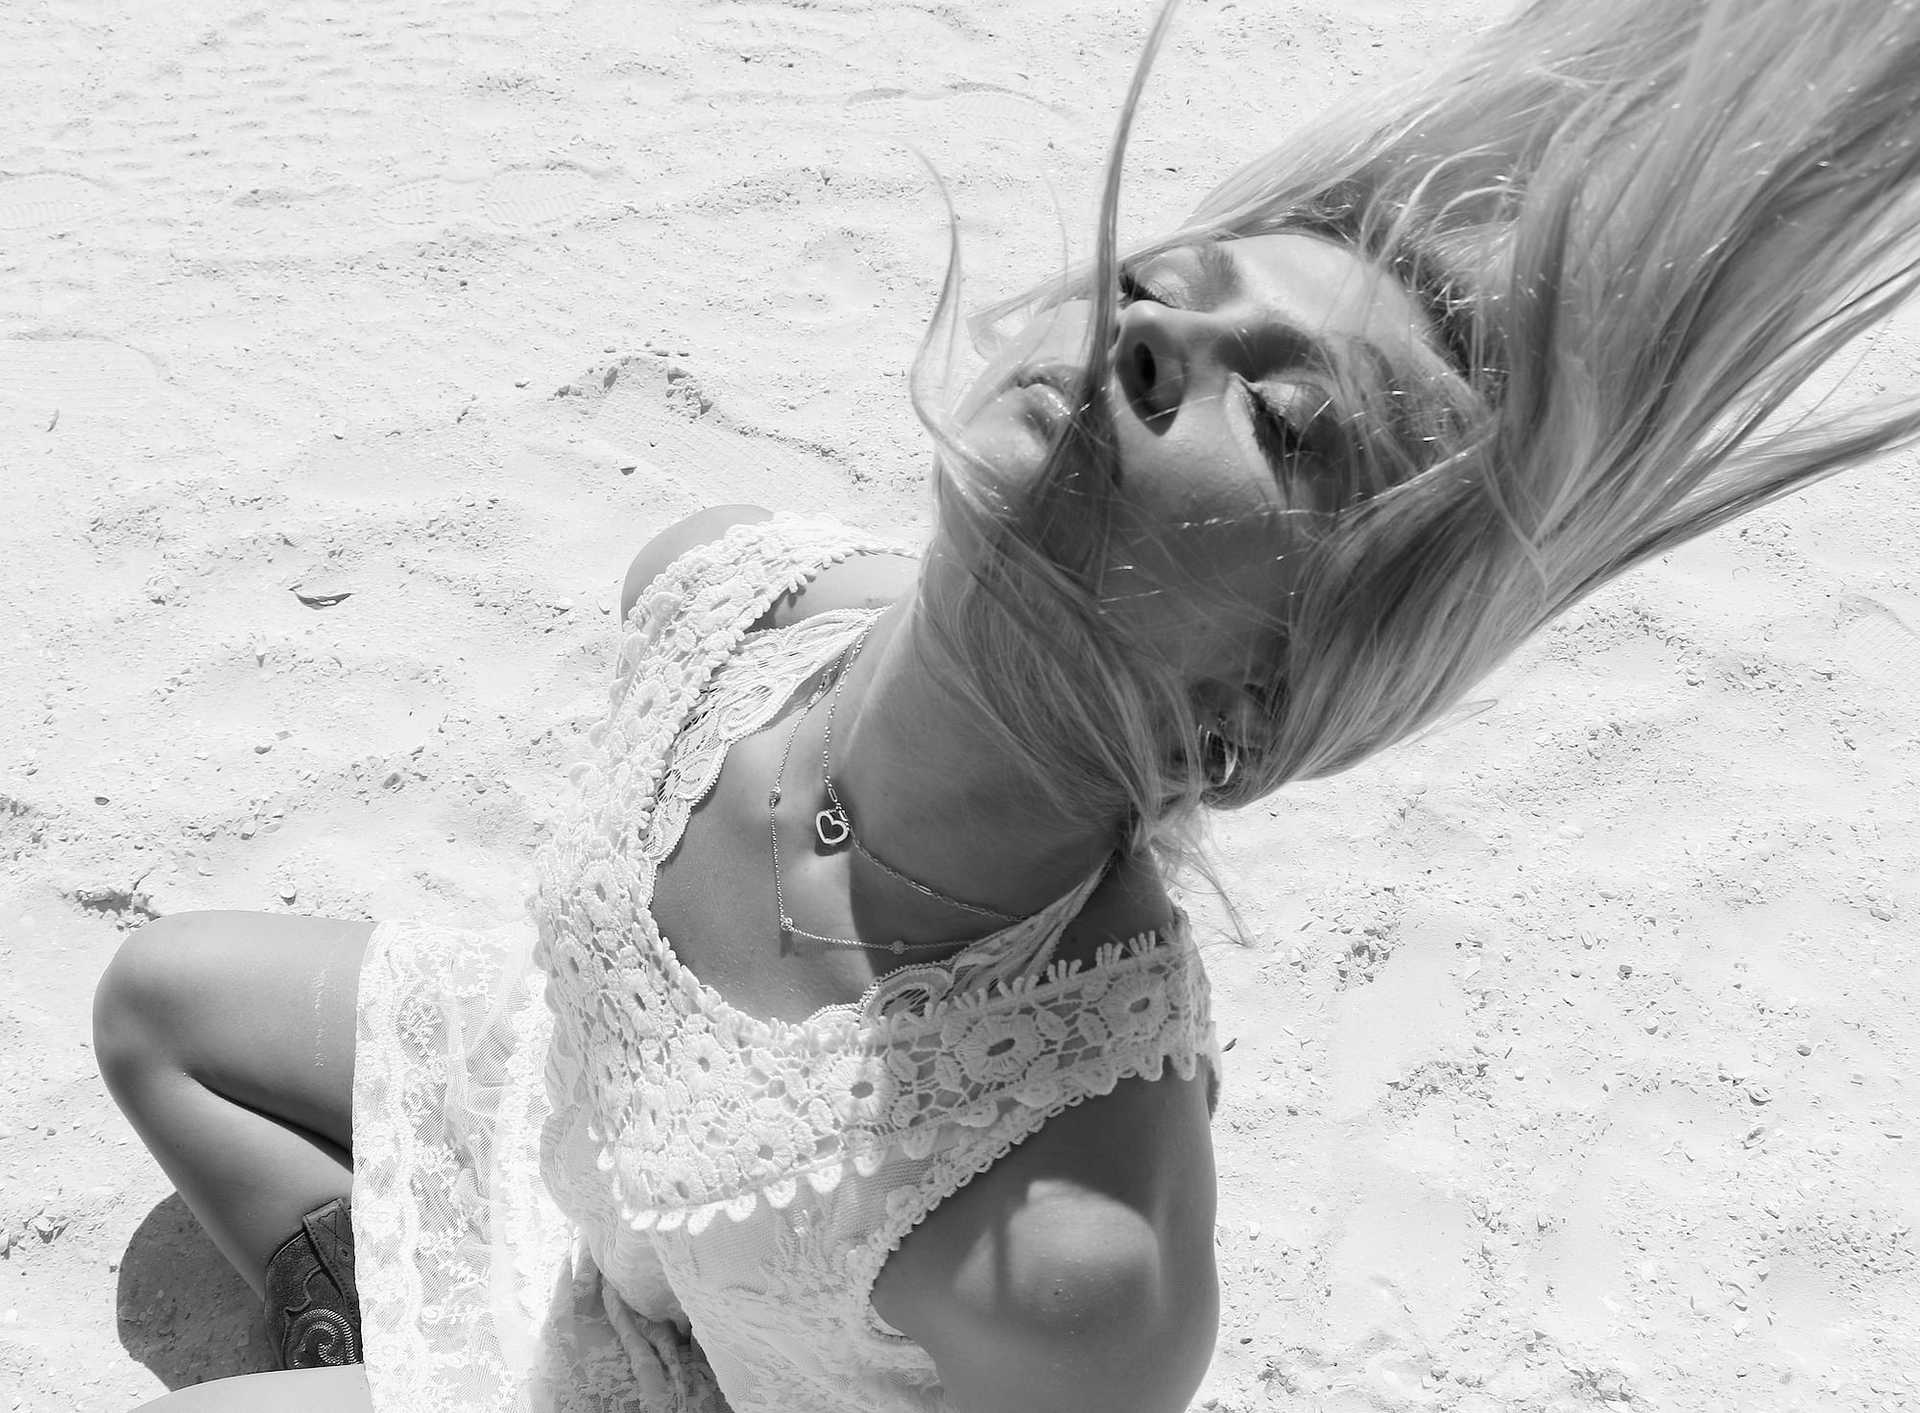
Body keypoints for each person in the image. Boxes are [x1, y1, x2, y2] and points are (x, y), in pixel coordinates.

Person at [91, 0, 1920, 1408]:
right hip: (597, 1159)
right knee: (156, 1006)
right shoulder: (721, 587)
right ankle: (362, 1304)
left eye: (1273, 421)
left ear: (1257, 713)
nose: (1155, 339)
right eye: (1173, 289)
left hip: (710, 1360)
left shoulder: (1073, 1231)